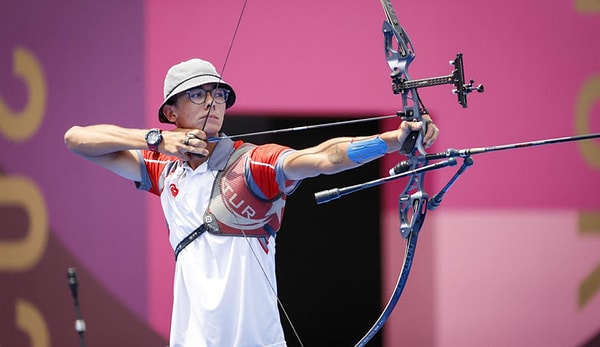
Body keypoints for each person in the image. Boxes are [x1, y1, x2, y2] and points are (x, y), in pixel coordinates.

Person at [64, 58, 439, 347]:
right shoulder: (162, 169)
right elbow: (76, 139)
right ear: (170, 113)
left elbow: (326, 157)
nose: (212, 102)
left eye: (218, 94)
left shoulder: (252, 163)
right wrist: (154, 140)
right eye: (197, 94)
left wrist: (392, 141)